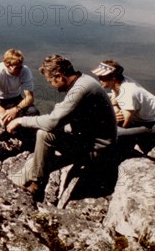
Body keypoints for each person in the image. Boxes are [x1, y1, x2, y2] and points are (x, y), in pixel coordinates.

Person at [6, 55, 117, 201]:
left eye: (51, 81)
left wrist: (21, 120)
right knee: (38, 155)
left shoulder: (81, 88)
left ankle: (35, 185)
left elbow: (53, 121)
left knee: (43, 139)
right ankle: (16, 186)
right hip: (86, 139)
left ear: (59, 76)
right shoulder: (82, 81)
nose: (51, 85)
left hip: (96, 148)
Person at [93, 60, 155, 154]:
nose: (99, 79)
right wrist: (115, 108)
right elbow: (115, 101)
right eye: (99, 76)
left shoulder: (128, 92)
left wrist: (115, 119)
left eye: (102, 77)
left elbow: (125, 122)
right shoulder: (120, 82)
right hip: (147, 121)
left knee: (114, 134)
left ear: (114, 78)